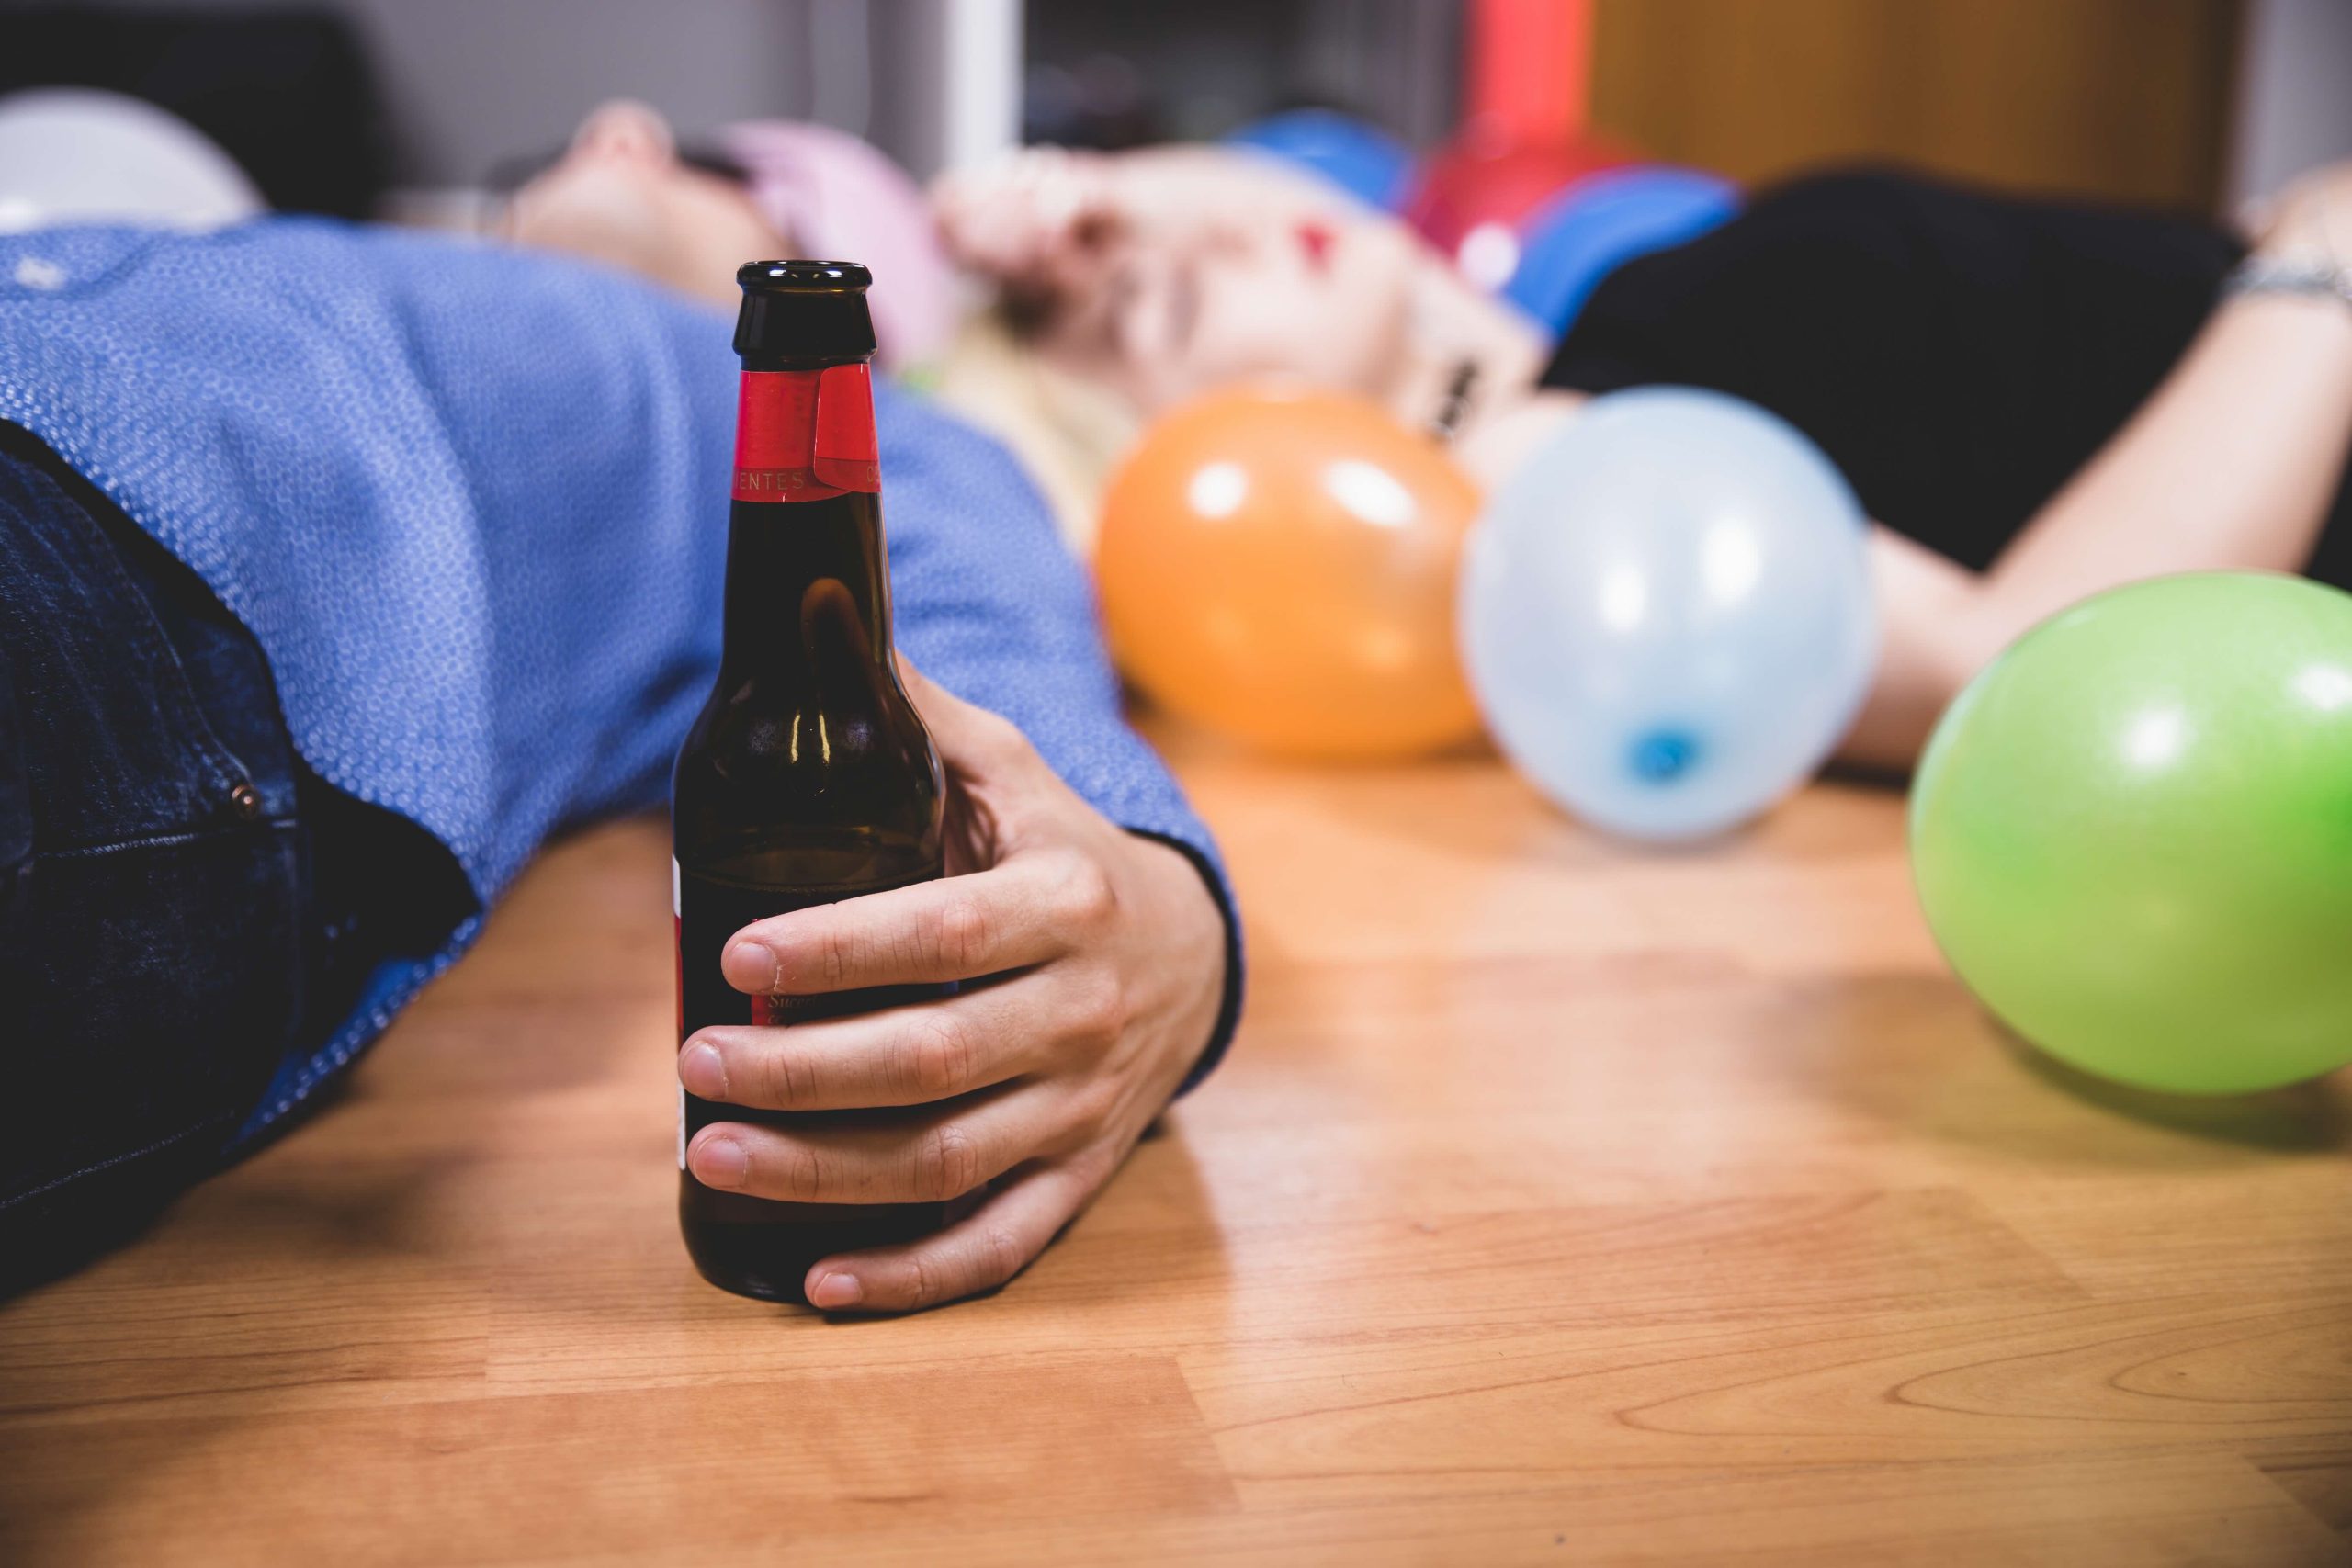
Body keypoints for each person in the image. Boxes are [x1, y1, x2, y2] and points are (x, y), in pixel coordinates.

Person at [0, 104, 1240, 1312]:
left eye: (722, 178)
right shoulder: (295, 249)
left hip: (107, 609)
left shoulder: (823, 433)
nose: (621, 129)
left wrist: (1163, 902)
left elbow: (979, 648)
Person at [930, 144, 2352, 769]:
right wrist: (2315, 270)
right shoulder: (1539, 488)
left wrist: (1098, 196)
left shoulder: (1578, 354)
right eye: (1166, 306)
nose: (1221, 236)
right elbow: (2032, 671)